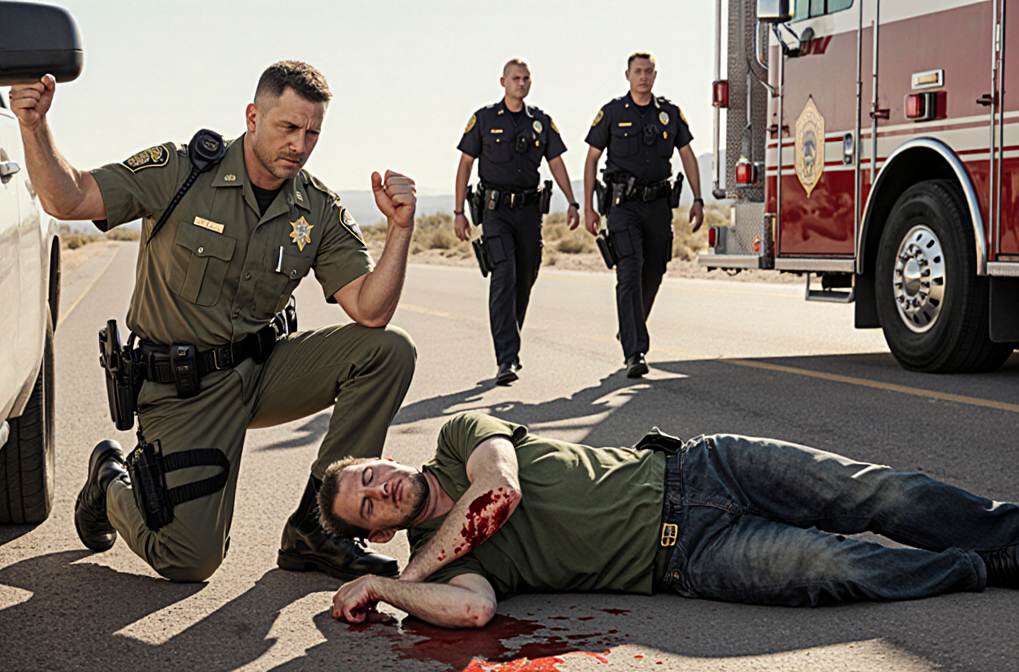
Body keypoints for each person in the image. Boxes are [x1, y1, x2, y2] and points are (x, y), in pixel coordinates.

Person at [10, 61, 419, 582]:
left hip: (262, 372)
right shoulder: (181, 171)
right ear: (252, 116)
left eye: (312, 132)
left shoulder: (315, 208)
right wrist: (33, 125)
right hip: (184, 390)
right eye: (287, 127)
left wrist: (400, 230)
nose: (300, 143)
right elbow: (66, 198)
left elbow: (371, 308)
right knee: (190, 559)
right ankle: (112, 482)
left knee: (388, 350)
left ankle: (319, 529)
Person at [318, 412, 1019, 628]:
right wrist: (389, 590)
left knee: (876, 492)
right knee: (831, 566)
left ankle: (1004, 531)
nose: (379, 486)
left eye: (368, 473)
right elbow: (471, 614)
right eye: (367, 503)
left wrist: (402, 574)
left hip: (704, 468)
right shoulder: (448, 567)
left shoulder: (457, 436)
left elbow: (499, 488)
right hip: (688, 557)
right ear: (376, 531)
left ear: (381, 457)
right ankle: (982, 566)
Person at [453, 58, 580, 386]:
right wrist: (458, 212)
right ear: (503, 82)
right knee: (504, 274)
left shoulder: (541, 121)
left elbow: (556, 163)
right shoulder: (483, 119)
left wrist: (573, 201)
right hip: (495, 212)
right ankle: (507, 357)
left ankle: (510, 338)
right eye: (515, 78)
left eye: (526, 78)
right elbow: (465, 164)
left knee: (525, 278)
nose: (521, 83)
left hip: (528, 212)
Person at [583, 52, 705, 379]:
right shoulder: (611, 113)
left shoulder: (669, 113)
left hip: (658, 205)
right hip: (622, 206)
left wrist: (698, 198)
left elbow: (688, 155)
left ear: (655, 75)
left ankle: (630, 326)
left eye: (649, 71)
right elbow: (592, 158)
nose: (643, 77)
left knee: (655, 270)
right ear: (627, 75)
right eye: (638, 71)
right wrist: (589, 206)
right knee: (629, 269)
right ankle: (635, 351)